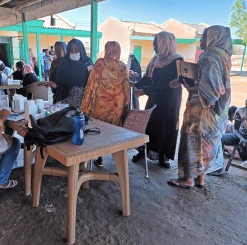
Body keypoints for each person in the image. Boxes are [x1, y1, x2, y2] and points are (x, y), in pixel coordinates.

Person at [168, 25, 232, 189]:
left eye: (204, 36)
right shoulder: (224, 56)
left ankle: (187, 180)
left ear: (213, 38)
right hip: (217, 111)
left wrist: (189, 88)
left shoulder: (209, 56)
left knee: (192, 141)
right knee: (205, 144)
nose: (201, 40)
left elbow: (210, 90)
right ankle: (201, 180)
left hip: (201, 109)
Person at [132, 31, 184, 168]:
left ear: (165, 43)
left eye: (157, 44)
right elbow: (148, 78)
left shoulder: (177, 60)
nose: (154, 46)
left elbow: (165, 83)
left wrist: (144, 91)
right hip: (154, 96)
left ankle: (162, 156)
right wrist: (134, 84)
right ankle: (143, 151)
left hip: (169, 100)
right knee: (149, 125)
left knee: (165, 126)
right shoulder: (156, 59)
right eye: (154, 44)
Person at [81, 41, 130, 167]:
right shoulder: (123, 66)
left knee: (98, 130)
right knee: (112, 130)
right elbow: (126, 86)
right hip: (116, 105)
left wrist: (85, 104)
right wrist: (126, 103)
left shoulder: (100, 63)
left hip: (100, 103)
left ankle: (99, 157)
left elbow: (91, 83)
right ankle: (117, 159)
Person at [40, 39, 93, 108]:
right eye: (71, 50)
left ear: (81, 49)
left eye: (76, 49)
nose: (74, 52)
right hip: (69, 101)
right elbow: (59, 83)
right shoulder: (65, 63)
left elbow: (92, 80)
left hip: (85, 100)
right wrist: (52, 84)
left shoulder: (88, 62)